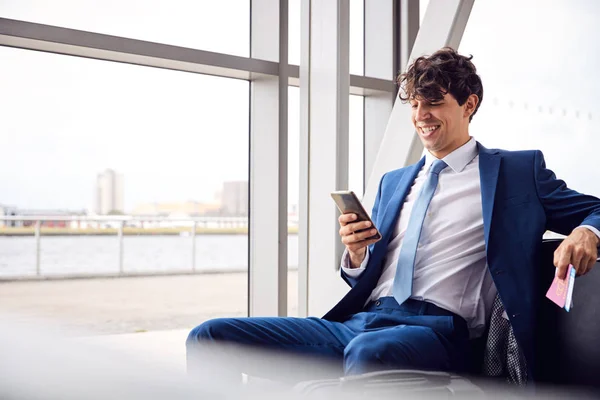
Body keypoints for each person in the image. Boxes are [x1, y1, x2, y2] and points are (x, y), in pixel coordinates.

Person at [186, 48, 600, 383]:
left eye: (434, 102)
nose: (421, 115)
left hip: (439, 331)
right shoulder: (393, 181)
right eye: (415, 104)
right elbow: (364, 273)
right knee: (210, 337)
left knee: (369, 352)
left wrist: (586, 231)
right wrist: (356, 253)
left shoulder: (516, 172)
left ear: (469, 104)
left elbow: (596, 210)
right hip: (360, 321)